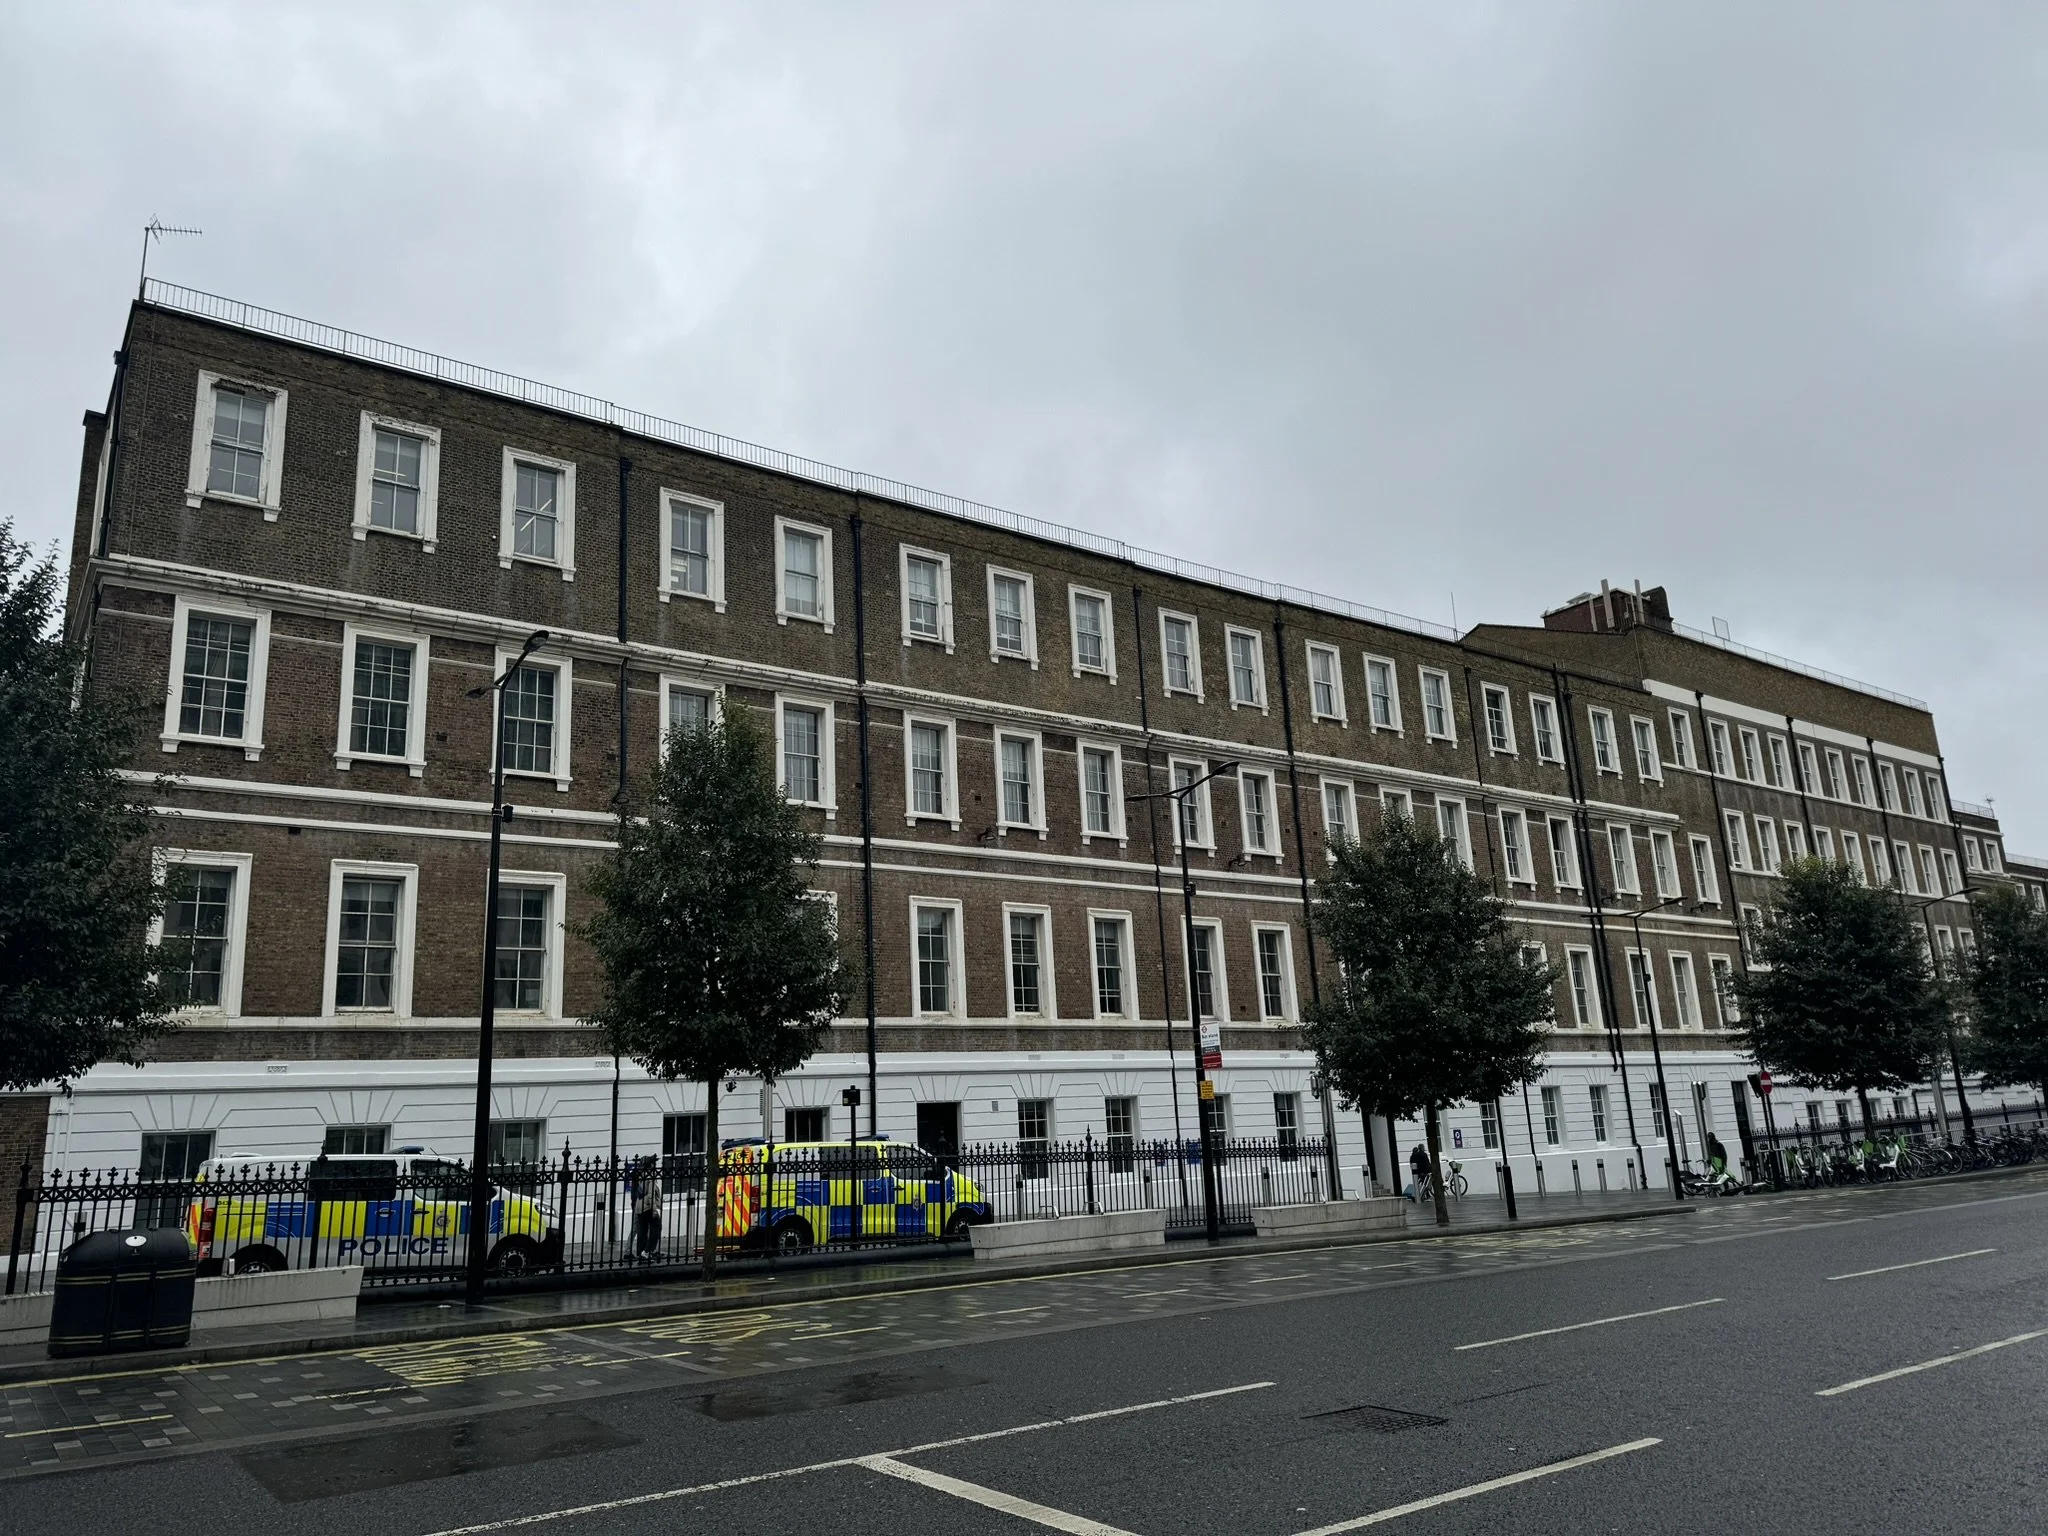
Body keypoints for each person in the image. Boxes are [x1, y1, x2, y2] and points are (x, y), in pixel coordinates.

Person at [633, 1157, 663, 1260]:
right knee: (656, 1228)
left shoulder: (641, 1175)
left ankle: (641, 1252)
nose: (655, 1165)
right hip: (648, 1207)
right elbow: (651, 1196)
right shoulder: (651, 1177)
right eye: (653, 1164)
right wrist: (654, 1210)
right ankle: (648, 1251)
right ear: (650, 1166)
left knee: (643, 1231)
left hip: (640, 1207)